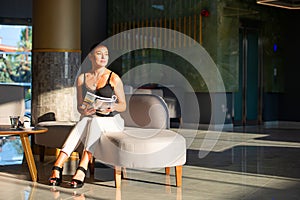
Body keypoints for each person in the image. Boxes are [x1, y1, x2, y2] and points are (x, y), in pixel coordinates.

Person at [48, 44, 126, 188]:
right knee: (86, 120)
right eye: (99, 53)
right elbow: (80, 106)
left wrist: (111, 107)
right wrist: (84, 110)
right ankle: (61, 165)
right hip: (91, 119)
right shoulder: (82, 79)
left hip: (112, 121)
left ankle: (76, 166)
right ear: (90, 56)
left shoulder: (114, 78)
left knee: (92, 121)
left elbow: (123, 105)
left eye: (106, 54)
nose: (103, 57)